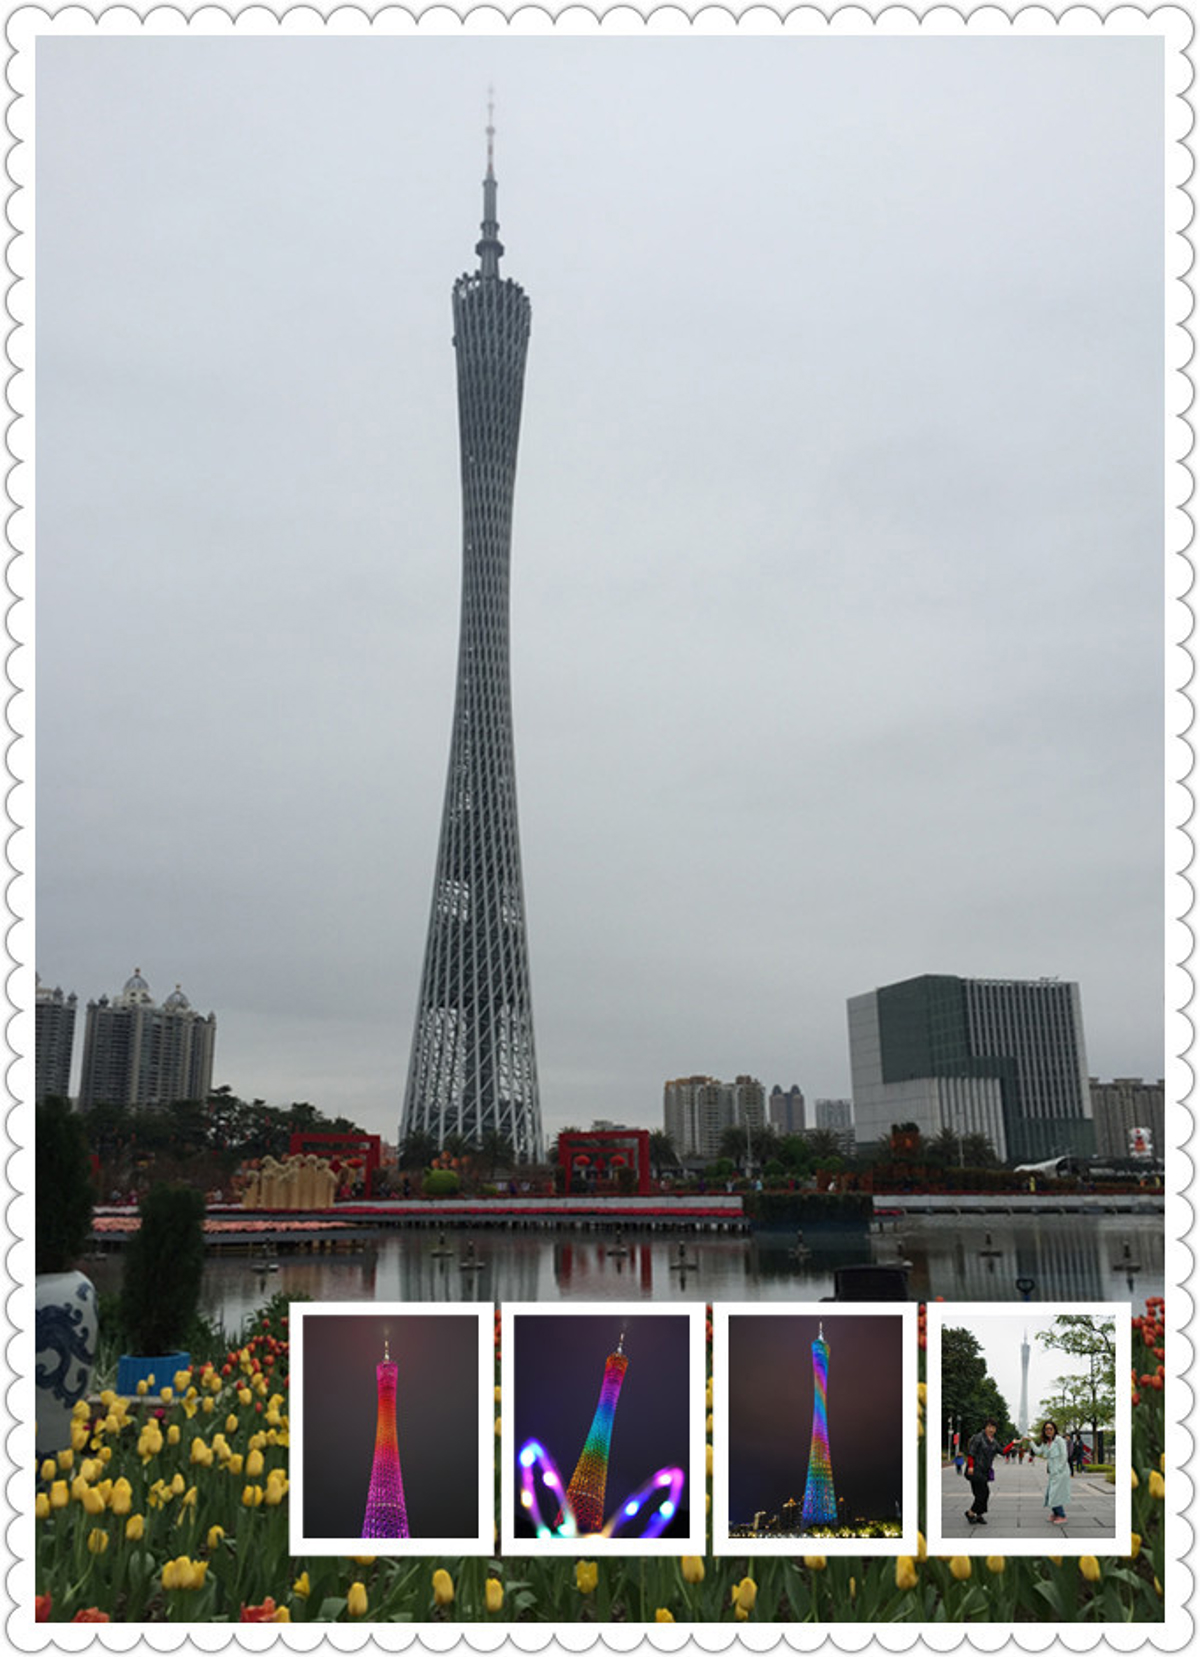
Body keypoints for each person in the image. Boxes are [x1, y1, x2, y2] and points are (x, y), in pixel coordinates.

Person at [1029, 1419, 1071, 1523]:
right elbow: (1038, 1451)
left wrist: (1058, 1469)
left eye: (1050, 1429)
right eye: (1046, 1429)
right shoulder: (1046, 1442)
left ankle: (1062, 1515)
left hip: (1061, 1471)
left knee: (1054, 1494)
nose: (1048, 1431)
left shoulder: (1059, 1440)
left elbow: (1064, 1455)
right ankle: (1056, 1513)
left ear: (1054, 1430)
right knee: (1050, 1494)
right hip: (1053, 1472)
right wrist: (1030, 1442)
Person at [965, 1418, 1001, 1525]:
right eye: (989, 1427)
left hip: (984, 1471)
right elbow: (971, 1453)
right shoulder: (978, 1438)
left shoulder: (993, 1441)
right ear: (985, 1427)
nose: (991, 1429)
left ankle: (978, 1514)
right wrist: (970, 1466)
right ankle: (971, 1513)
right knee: (981, 1494)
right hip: (975, 1470)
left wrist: (1013, 1443)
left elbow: (1002, 1451)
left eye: (993, 1427)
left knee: (983, 1494)